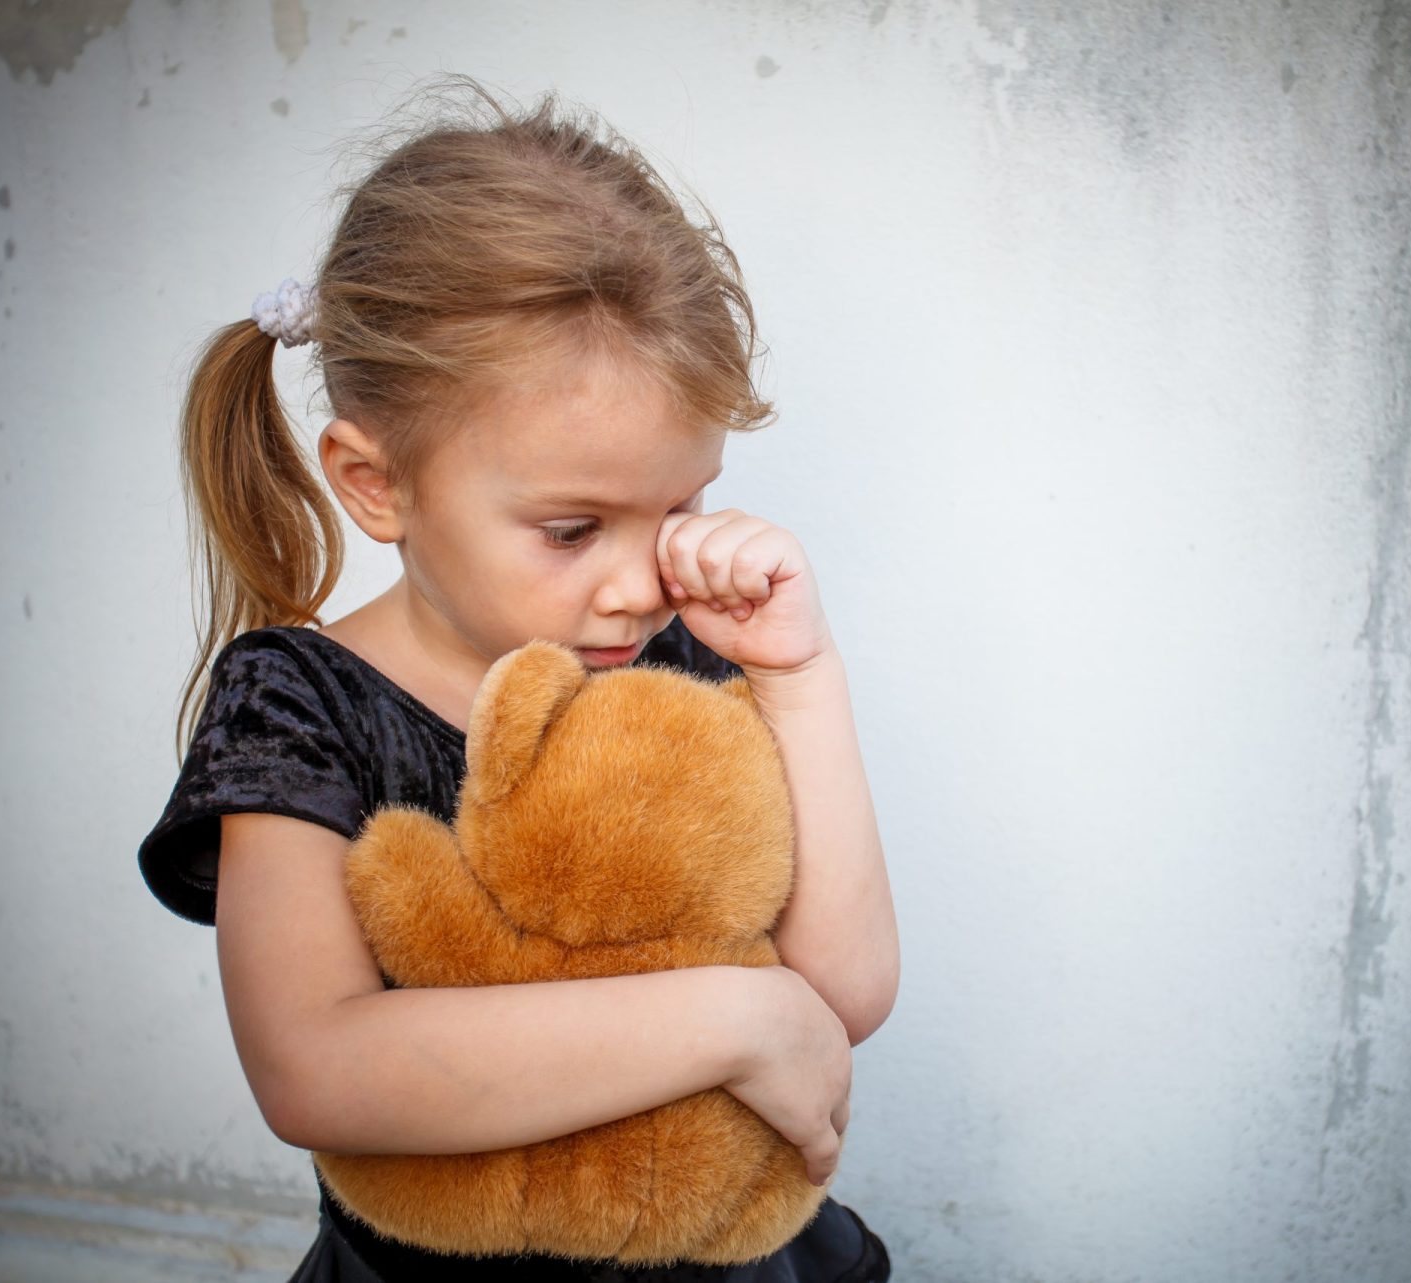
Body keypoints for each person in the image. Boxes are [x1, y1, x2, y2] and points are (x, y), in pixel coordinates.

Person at [136, 74, 899, 1283]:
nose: (638, 582)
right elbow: (314, 1068)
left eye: (680, 505)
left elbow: (843, 992)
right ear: (377, 482)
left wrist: (802, 677)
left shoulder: (679, 653)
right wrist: (731, 1020)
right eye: (569, 528)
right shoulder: (299, 708)